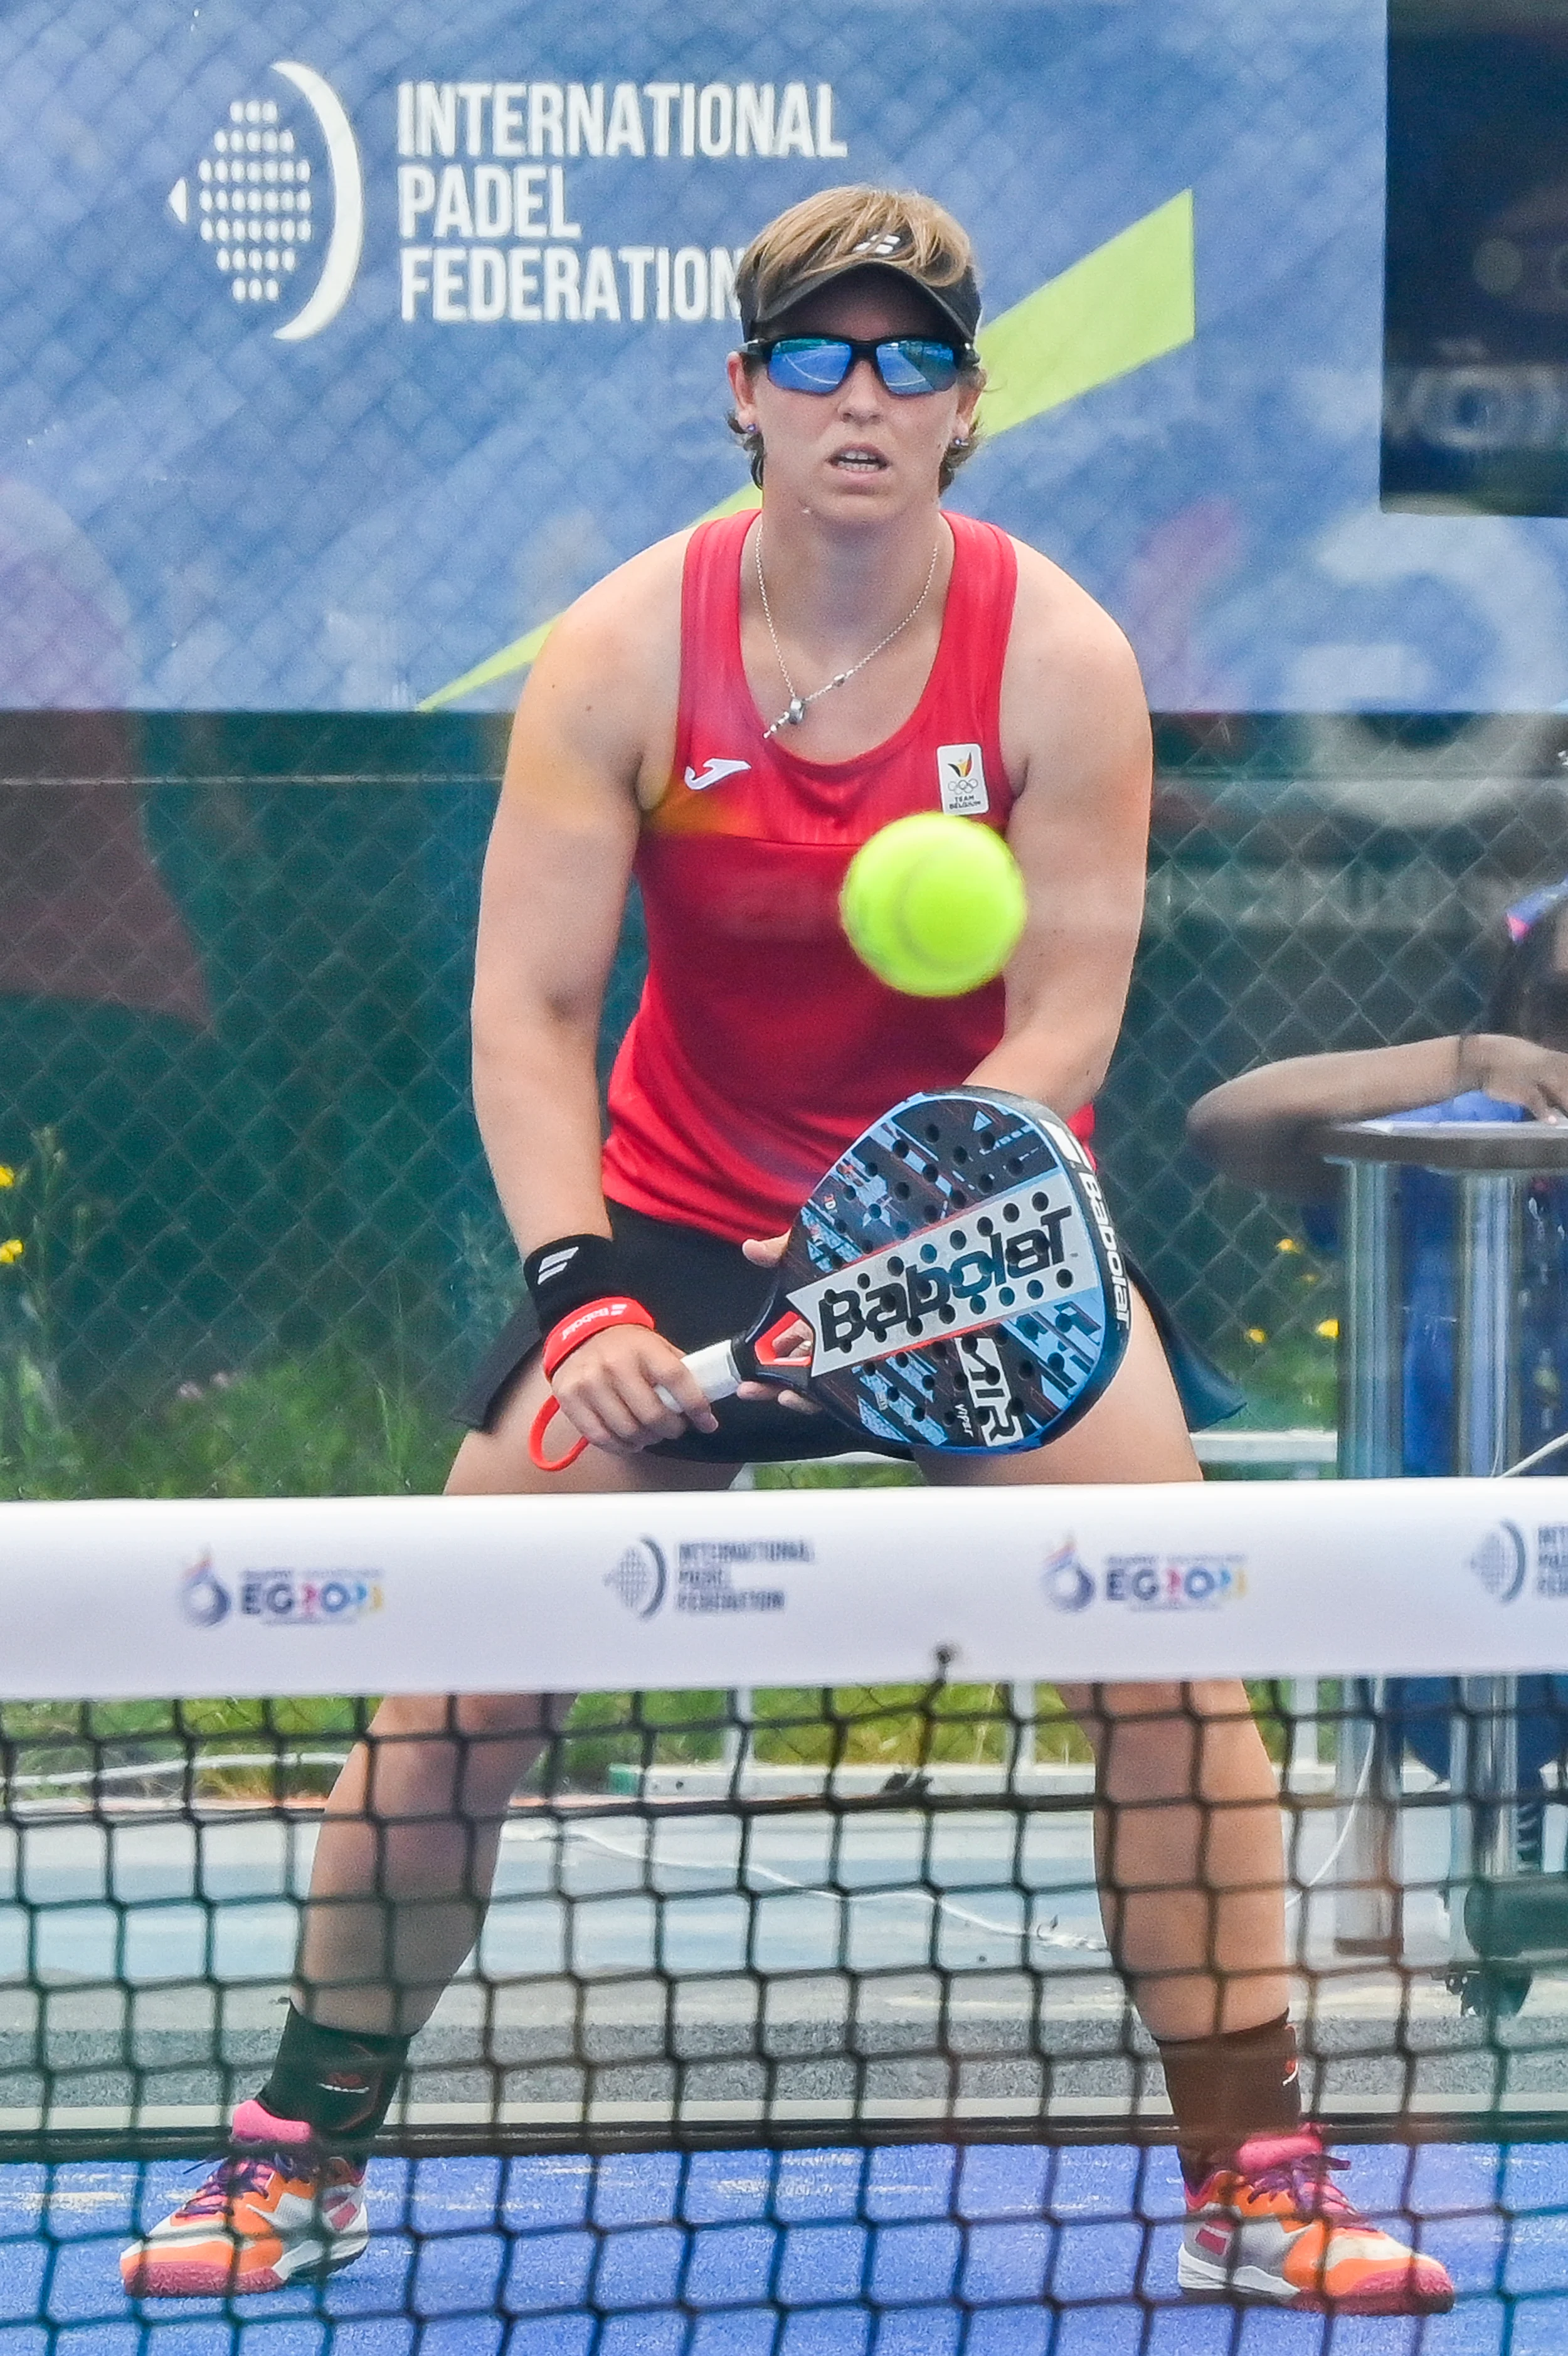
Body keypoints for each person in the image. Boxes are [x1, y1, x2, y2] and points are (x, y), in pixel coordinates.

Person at [122, 185, 1451, 2315]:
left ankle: (1256, 2168)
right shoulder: (627, 651)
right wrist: (592, 1293)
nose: (864, 391)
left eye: (910, 357)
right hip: (666, 1224)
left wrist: (913, 1252)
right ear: (745, 396)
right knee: (458, 1682)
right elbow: (532, 1010)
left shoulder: (1071, 658)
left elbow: (1057, 1040)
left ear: (965, 412)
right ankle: (298, 2145)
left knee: (1175, 1657)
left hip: (978, 1222)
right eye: (818, 354)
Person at [1188, 882, 1568, 1865]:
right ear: (1523, 1018)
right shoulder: (1456, 1145)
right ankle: (1505, 1800)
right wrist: (1471, 1063)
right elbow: (1231, 1124)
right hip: (1469, 1560)